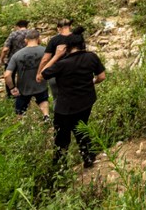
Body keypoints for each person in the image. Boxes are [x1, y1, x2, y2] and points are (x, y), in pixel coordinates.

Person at [41, 27, 105, 168]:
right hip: (86, 101)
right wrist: (91, 82)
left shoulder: (62, 64)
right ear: (83, 44)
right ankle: (88, 157)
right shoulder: (91, 57)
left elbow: (41, 74)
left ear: (67, 48)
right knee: (81, 127)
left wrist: (56, 56)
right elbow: (101, 76)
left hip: (65, 107)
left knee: (62, 139)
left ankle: (60, 170)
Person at [4, 29, 50, 120]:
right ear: (38, 39)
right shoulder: (45, 52)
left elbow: (7, 75)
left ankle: (21, 124)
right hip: (41, 85)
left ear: (26, 40)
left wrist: (12, 88)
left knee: (20, 111)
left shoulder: (17, 55)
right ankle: (46, 116)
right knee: (43, 100)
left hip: (23, 88)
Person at [35, 18, 74, 103]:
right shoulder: (78, 38)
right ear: (70, 27)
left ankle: (59, 114)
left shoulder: (54, 40)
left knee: (57, 98)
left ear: (58, 28)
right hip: (74, 72)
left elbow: (45, 59)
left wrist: (39, 73)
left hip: (57, 73)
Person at [0, 19, 30, 98]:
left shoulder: (13, 34)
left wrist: (1, 59)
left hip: (13, 59)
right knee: (25, 76)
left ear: (17, 26)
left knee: (10, 76)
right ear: (26, 26)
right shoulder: (31, 34)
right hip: (27, 59)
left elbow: (5, 49)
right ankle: (25, 93)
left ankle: (11, 94)